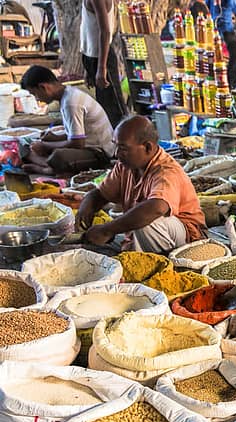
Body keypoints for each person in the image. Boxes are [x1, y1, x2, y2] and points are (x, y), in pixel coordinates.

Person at [77, 116, 206, 254]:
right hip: (152, 233)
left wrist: (107, 230)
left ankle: (160, 260)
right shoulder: (125, 166)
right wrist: (85, 210)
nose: (116, 153)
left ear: (148, 147)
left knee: (146, 221)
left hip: (187, 237)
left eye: (123, 148)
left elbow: (156, 208)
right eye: (116, 146)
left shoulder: (166, 171)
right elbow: (100, 194)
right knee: (136, 223)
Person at [20, 66, 115, 175]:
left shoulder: (71, 103)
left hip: (100, 153)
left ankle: (45, 168)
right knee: (23, 143)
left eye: (34, 94)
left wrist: (45, 146)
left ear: (43, 87)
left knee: (59, 156)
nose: (37, 99)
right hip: (85, 144)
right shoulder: (67, 94)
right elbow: (76, 134)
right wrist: (55, 138)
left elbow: (77, 143)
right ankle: (48, 164)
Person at [81, 0, 126, 127]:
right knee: (104, 107)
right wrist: (88, 69)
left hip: (101, 58)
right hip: (92, 57)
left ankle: (125, 136)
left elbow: (105, 32)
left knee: (115, 109)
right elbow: (89, 28)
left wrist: (102, 68)